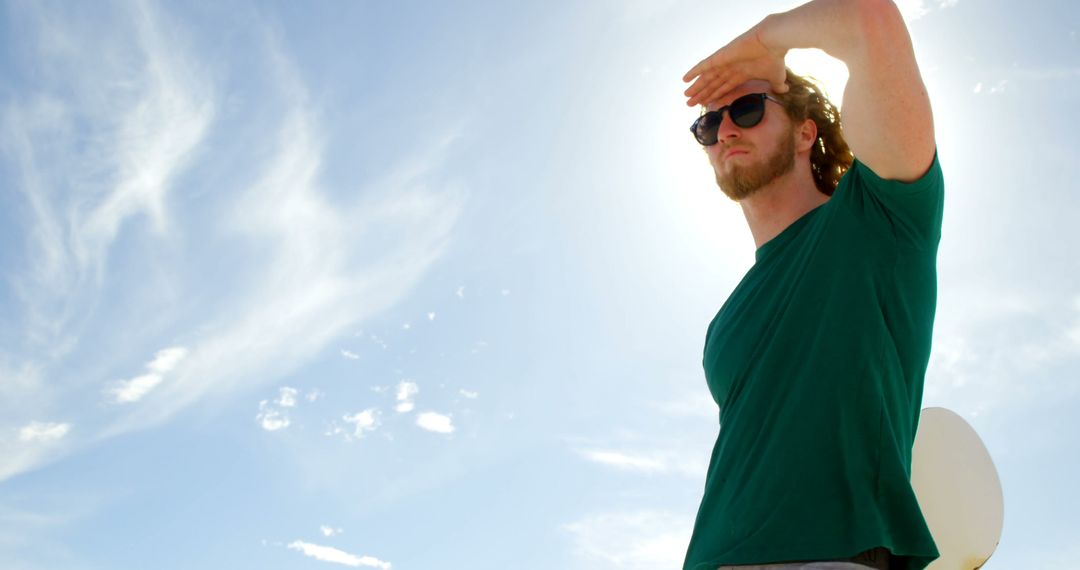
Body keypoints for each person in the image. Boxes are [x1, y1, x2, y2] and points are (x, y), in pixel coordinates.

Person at [679, 1, 944, 569]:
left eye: (747, 108)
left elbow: (871, 20)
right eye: (708, 123)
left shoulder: (877, 219)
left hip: (836, 553)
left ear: (805, 133)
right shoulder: (724, 324)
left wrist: (766, 43)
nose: (724, 129)